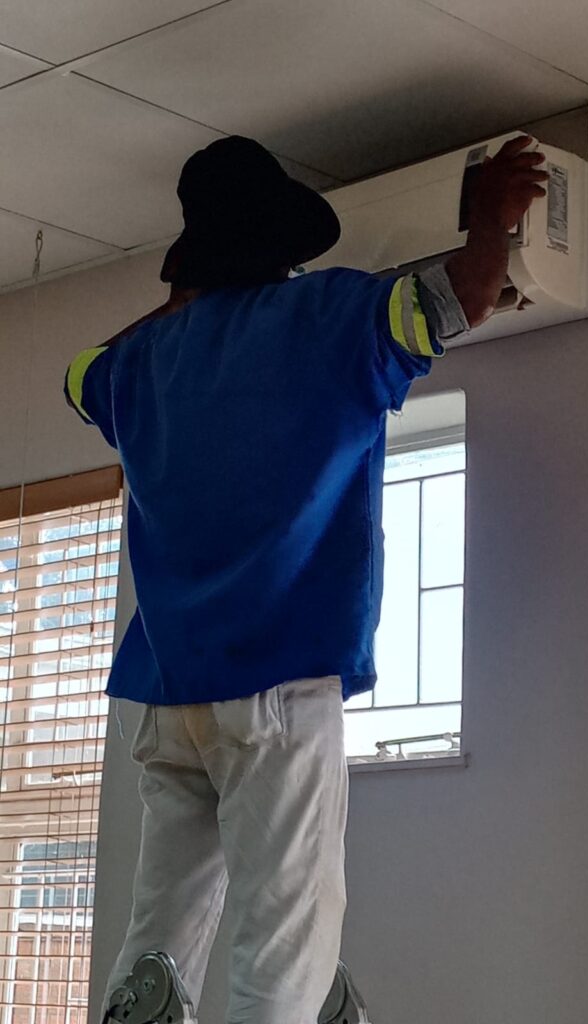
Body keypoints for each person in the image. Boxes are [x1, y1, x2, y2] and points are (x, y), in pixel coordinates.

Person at [64, 133, 547, 1024]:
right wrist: (492, 215)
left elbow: (78, 375)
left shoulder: (143, 363)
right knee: (282, 947)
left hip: (167, 696)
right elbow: (465, 296)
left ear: (192, 259)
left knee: (159, 940)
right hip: (276, 685)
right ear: (282, 247)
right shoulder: (326, 316)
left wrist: (179, 305)